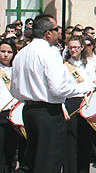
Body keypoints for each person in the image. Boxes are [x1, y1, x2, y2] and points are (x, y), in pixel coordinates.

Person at [10, 14, 75, 173]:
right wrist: (81, 87)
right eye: (56, 30)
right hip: (49, 112)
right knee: (49, 160)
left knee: (32, 158)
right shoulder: (50, 52)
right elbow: (58, 88)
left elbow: (14, 89)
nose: (58, 33)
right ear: (48, 33)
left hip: (29, 110)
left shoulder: (21, 54)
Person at [62, 35, 96, 173]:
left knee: (84, 140)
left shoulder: (88, 64)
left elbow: (92, 84)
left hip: (86, 102)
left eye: (76, 47)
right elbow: (62, 89)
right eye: (70, 47)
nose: (73, 50)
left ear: (82, 48)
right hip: (71, 102)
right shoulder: (64, 66)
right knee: (70, 141)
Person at [0, 38, 19, 173]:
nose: (6, 55)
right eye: (2, 51)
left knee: (11, 150)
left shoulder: (17, 70)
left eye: (9, 52)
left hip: (14, 114)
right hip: (1, 113)